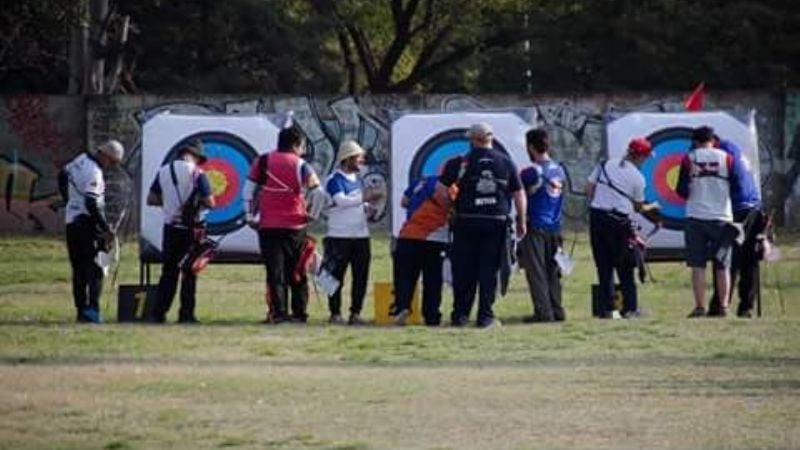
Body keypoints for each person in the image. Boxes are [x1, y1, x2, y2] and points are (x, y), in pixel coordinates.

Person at [436, 122, 526, 328]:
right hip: (496, 224)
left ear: (472, 140)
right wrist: (521, 219)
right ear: (490, 139)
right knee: (489, 271)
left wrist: (451, 208)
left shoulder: (459, 163)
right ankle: (485, 317)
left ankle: (460, 316)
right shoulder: (506, 162)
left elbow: (441, 191)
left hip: (465, 221)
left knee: (464, 270)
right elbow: (519, 193)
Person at [244, 126, 321, 324]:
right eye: (302, 145)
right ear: (296, 145)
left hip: (268, 226)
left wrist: (249, 216)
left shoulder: (262, 161)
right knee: (297, 271)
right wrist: (312, 214)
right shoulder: (301, 165)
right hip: (295, 226)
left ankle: (278, 314)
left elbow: (248, 190)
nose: (303, 150)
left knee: (274, 272)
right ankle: (299, 314)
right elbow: (318, 191)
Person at [586, 137, 657, 319]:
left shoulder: (605, 164)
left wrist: (601, 201)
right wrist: (653, 207)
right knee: (625, 265)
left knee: (604, 265)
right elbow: (638, 208)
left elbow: (589, 188)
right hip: (620, 222)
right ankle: (630, 308)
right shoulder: (638, 178)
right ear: (640, 157)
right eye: (646, 157)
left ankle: (608, 309)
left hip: (598, 218)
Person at [677, 126, 744, 318]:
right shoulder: (727, 158)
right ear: (712, 139)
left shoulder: (688, 158)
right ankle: (723, 307)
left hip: (695, 216)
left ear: (695, 141)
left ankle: (700, 308)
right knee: (723, 265)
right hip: (722, 217)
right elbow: (738, 186)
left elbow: (681, 191)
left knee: (697, 265)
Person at [146, 139, 215, 324]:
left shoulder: (163, 171)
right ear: (195, 155)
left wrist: (171, 205)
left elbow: (151, 199)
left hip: (170, 229)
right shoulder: (197, 173)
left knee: (168, 271)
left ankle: (158, 314)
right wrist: (192, 206)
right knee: (189, 273)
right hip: (192, 231)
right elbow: (210, 203)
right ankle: (186, 315)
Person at [59, 139, 124, 323]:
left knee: (78, 269)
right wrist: (105, 228)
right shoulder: (95, 172)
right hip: (87, 225)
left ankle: (81, 311)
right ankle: (93, 310)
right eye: (112, 162)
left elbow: (62, 175)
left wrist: (68, 201)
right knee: (97, 268)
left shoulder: (80, 159)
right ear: (104, 155)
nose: (111, 166)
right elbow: (91, 203)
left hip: (71, 222)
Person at [322, 140, 382, 325]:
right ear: (347, 159)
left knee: (361, 277)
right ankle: (335, 313)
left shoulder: (356, 180)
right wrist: (366, 197)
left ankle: (355, 313)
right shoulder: (334, 180)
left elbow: (355, 203)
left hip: (360, 236)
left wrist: (368, 209)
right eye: (358, 157)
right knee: (335, 277)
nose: (362, 161)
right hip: (339, 237)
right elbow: (341, 201)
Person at [708, 138, 764, 318]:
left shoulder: (721, 155)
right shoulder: (734, 148)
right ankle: (746, 307)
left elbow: (733, 184)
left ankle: (720, 306)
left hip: (737, 211)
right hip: (754, 210)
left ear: (711, 142)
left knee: (725, 258)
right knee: (749, 261)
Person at [518, 129, 567, 323]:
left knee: (536, 271)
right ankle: (557, 309)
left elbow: (517, 191)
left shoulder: (531, 172)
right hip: (555, 227)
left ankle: (543, 313)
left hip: (536, 225)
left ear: (531, 146)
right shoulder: (559, 169)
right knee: (553, 270)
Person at [392, 175, 451, 326]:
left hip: (408, 235)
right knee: (432, 280)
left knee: (405, 277)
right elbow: (451, 206)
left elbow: (404, 202)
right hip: (434, 237)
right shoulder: (449, 186)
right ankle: (431, 316)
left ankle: (402, 307)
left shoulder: (420, 181)